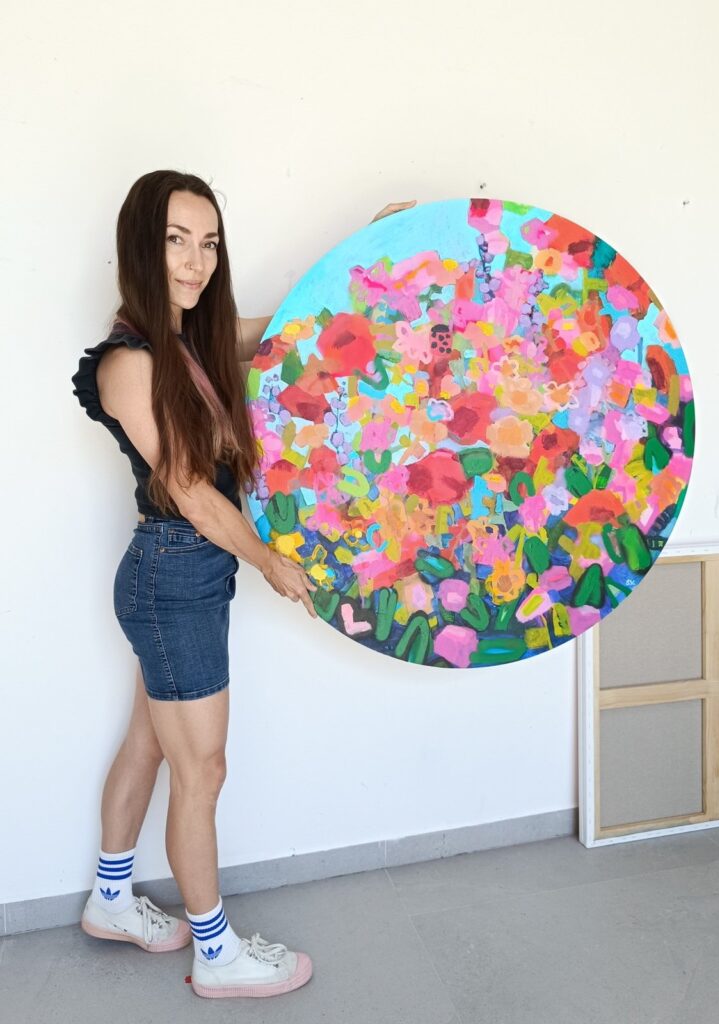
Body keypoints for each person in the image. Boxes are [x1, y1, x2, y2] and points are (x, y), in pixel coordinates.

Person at [71, 170, 414, 999]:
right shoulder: (128, 362)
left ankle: (111, 899)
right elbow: (190, 489)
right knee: (204, 770)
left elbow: (297, 324)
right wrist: (266, 559)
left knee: (153, 742)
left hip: (182, 576)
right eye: (175, 241)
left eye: (209, 243)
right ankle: (217, 953)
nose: (195, 262)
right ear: (141, 248)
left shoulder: (193, 339)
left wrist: (365, 250)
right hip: (172, 576)